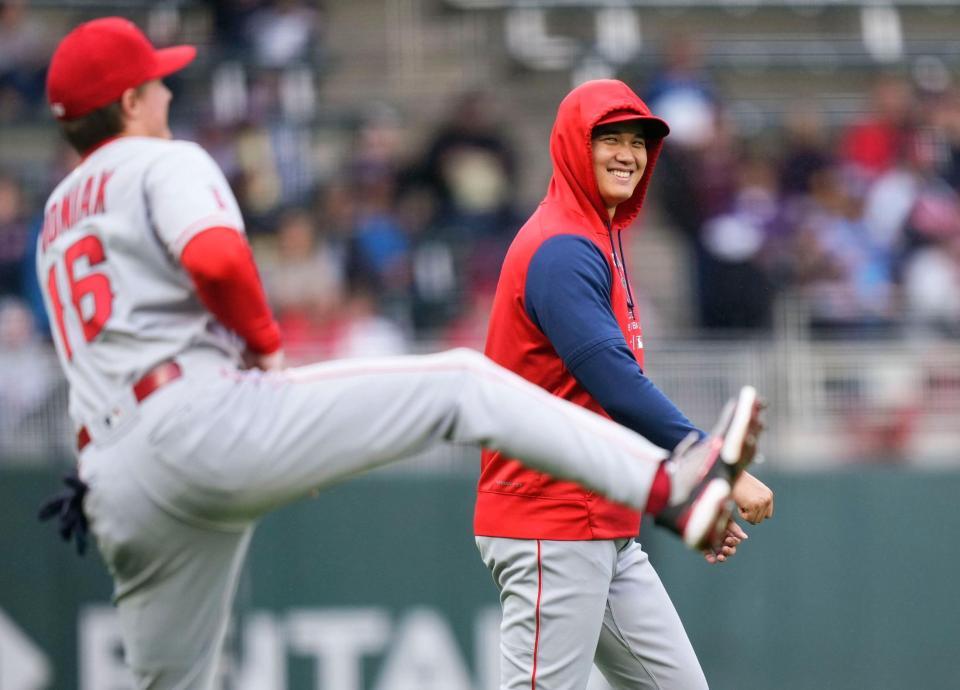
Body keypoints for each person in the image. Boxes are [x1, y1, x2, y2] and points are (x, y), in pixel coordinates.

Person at [36, 19, 762, 688]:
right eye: (157, 82)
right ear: (131, 100)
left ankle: (679, 484)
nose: (168, 90)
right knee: (457, 385)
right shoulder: (162, 163)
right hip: (525, 510)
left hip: (111, 472)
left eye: (639, 140)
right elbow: (220, 260)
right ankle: (677, 486)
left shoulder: (54, 218)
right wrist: (265, 358)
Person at [475, 79, 775, 690]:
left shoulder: (593, 237)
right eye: (607, 138)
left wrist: (686, 498)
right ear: (571, 148)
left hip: (601, 521)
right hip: (549, 520)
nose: (627, 154)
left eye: (638, 141)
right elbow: (617, 385)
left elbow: (605, 408)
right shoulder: (561, 247)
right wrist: (715, 466)